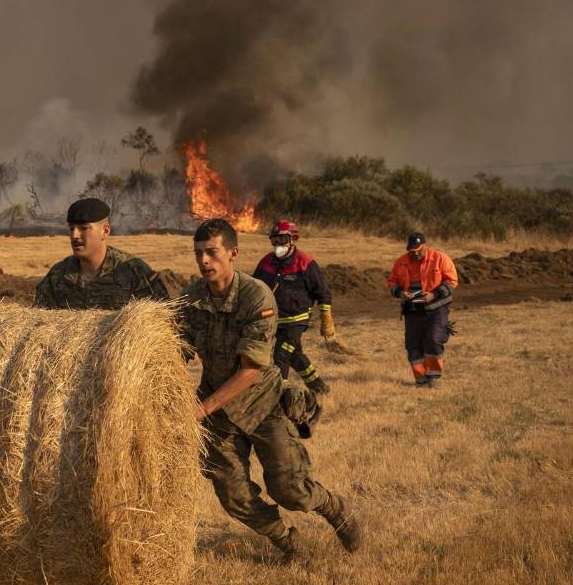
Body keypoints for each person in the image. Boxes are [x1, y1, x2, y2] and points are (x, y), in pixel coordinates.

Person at [178, 218, 362, 560]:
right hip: (220, 413)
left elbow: (250, 371)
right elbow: (177, 350)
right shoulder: (191, 299)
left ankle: (336, 509)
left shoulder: (255, 296)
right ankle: (287, 541)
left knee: (290, 490)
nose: (204, 261)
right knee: (234, 497)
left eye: (212, 253)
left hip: (263, 405)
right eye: (198, 253)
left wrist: (200, 409)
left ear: (232, 253)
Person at [34, 197, 170, 309]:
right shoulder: (58, 275)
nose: (74, 235)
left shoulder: (134, 271)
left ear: (105, 231)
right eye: (71, 229)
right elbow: (40, 323)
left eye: (83, 228)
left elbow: (163, 320)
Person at [252, 220, 336, 393]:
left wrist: (326, 317)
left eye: (282, 240)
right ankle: (319, 387)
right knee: (295, 357)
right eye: (274, 241)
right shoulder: (265, 263)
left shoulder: (305, 262)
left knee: (280, 356)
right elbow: (254, 288)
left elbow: (322, 290)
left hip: (297, 321)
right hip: (274, 321)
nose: (278, 245)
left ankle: (279, 397)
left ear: (292, 239)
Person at [387, 232, 458, 387]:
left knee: (433, 339)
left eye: (418, 249)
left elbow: (452, 281)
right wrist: (401, 293)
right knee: (413, 345)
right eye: (412, 251)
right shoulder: (401, 262)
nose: (416, 253)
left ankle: (433, 377)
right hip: (412, 309)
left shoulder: (440, 258)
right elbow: (392, 282)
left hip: (436, 307)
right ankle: (420, 379)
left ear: (425, 245)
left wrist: (434, 295)